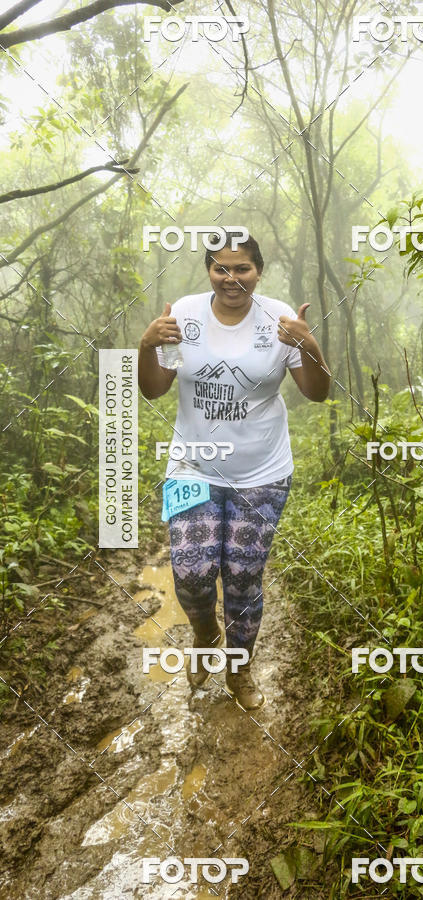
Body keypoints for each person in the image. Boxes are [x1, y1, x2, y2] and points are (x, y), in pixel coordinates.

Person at [138, 233, 330, 710]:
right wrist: (146, 345)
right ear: (209, 271)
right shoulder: (184, 314)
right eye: (221, 268)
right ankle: (206, 634)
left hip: (262, 472)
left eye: (241, 268)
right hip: (191, 467)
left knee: (243, 577)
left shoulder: (279, 317)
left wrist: (308, 345)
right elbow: (153, 390)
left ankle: (239, 671)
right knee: (190, 572)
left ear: (257, 271)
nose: (231, 278)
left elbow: (318, 392)